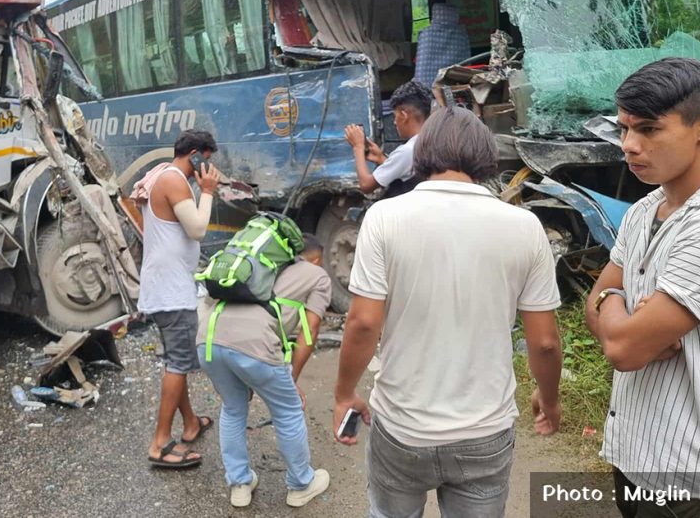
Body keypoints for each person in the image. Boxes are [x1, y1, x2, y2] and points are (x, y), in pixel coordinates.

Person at [334, 107, 563, 518]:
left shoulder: (384, 218)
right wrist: (549, 399)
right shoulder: (524, 227)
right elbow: (544, 342)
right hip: (485, 431)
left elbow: (364, 322)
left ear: (422, 153)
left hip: (403, 427)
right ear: (484, 156)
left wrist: (344, 393)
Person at [585, 58, 700, 516]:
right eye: (624, 128)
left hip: (698, 483)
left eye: (649, 129)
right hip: (636, 460)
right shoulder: (646, 209)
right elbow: (598, 304)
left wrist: (620, 318)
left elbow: (624, 350)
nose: (629, 145)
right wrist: (617, 306)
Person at [196, 230, 332, 507]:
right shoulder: (316, 274)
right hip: (254, 345)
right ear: (316, 259)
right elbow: (311, 329)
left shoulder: (253, 267)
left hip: (207, 341)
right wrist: (291, 377)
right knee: (288, 410)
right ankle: (301, 484)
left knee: (233, 408)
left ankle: (240, 484)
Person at [141, 129, 220, 469]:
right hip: (171, 291)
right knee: (178, 363)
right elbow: (198, 228)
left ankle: (189, 424)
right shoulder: (174, 180)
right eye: (207, 159)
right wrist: (207, 192)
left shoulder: (161, 172)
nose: (209, 166)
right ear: (196, 155)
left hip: (167, 285)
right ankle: (159, 443)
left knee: (180, 360)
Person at [345, 80, 433, 198]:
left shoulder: (408, 150)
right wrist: (381, 158)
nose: (394, 122)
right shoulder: (433, 140)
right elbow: (407, 170)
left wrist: (358, 147)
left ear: (404, 115)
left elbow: (366, 185)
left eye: (395, 116)